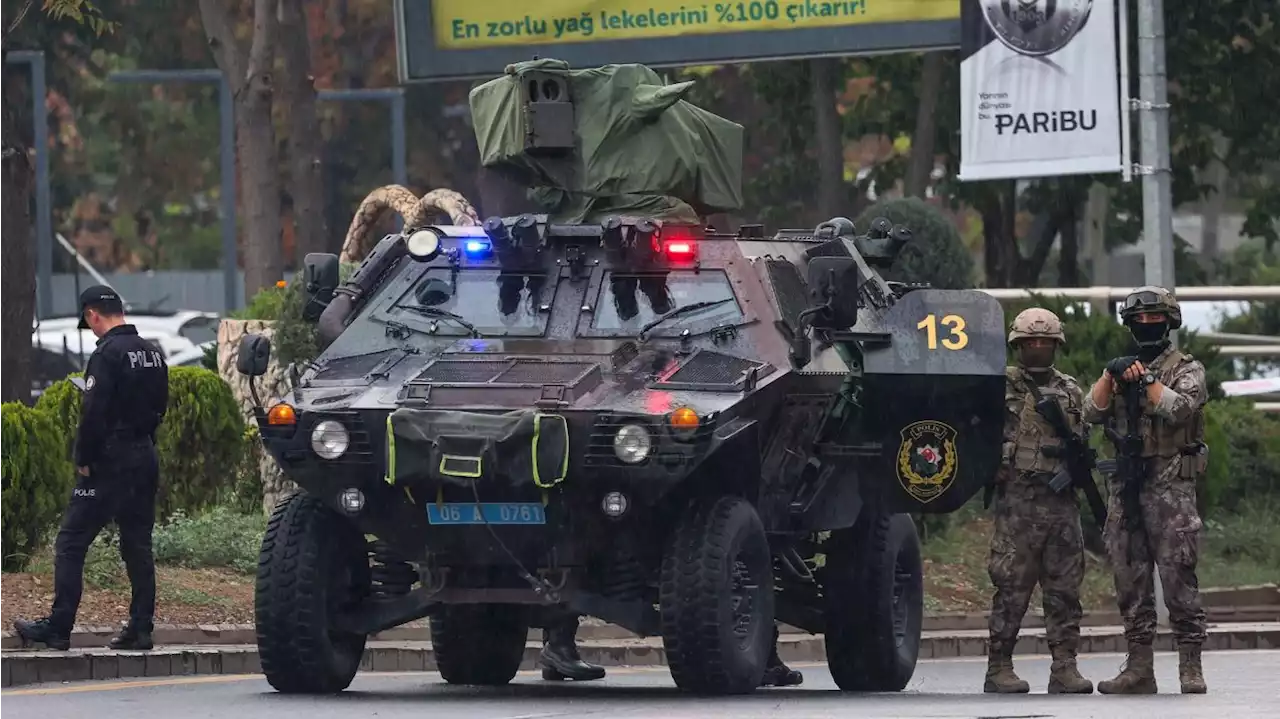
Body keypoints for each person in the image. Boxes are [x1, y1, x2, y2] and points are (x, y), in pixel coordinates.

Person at [12, 285, 169, 652]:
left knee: (70, 542)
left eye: (90, 322)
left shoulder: (107, 355)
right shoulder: (152, 353)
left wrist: (84, 458)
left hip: (109, 459)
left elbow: (94, 412)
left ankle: (58, 626)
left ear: (92, 315)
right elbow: (161, 405)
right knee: (137, 544)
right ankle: (141, 628)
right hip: (144, 455)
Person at [1083, 286, 1208, 694]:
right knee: (1129, 578)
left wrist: (1148, 378)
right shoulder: (1122, 370)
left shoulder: (1187, 369)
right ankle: (1140, 668)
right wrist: (1109, 375)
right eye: (1141, 320)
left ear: (1170, 323)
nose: (1148, 325)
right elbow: (1090, 412)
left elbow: (1179, 409)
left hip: (1171, 488)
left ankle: (1191, 666)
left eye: (1156, 319)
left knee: (1178, 577)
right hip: (1128, 487)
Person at [984, 308, 1093, 695]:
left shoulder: (1070, 389)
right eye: (1031, 342)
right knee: (1012, 588)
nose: (1038, 348)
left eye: (1045, 342)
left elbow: (1081, 438)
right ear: (1017, 345)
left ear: (1056, 345)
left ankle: (1064, 667)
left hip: (1062, 503)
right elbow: (976, 434)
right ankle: (999, 667)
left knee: (1065, 589)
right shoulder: (1001, 386)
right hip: (1019, 502)